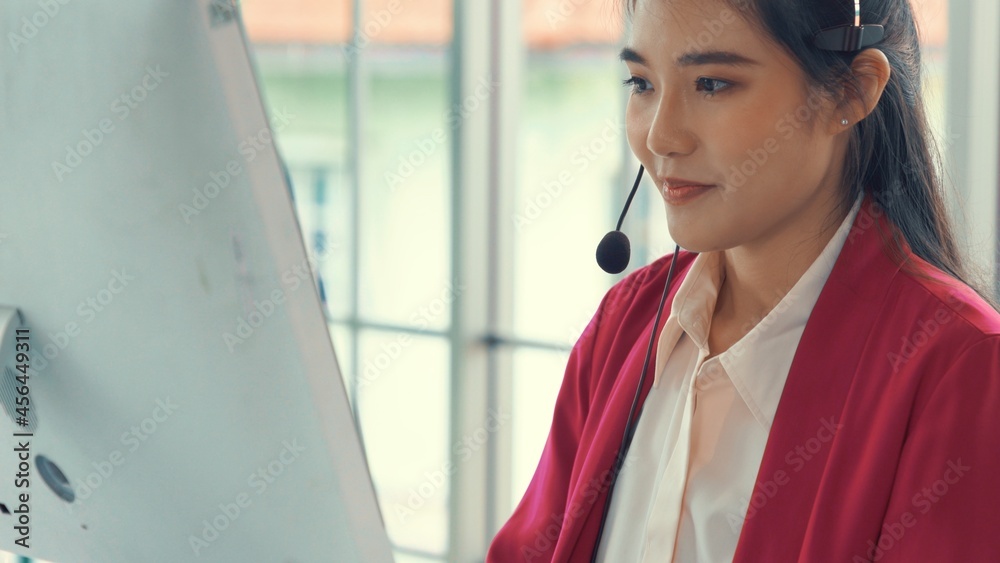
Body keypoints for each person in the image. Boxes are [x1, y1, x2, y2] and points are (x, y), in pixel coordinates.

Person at [486, 0, 1000, 561]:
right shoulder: (626, 325)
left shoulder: (960, 368)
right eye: (641, 83)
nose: (660, 137)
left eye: (711, 84)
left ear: (852, 91)